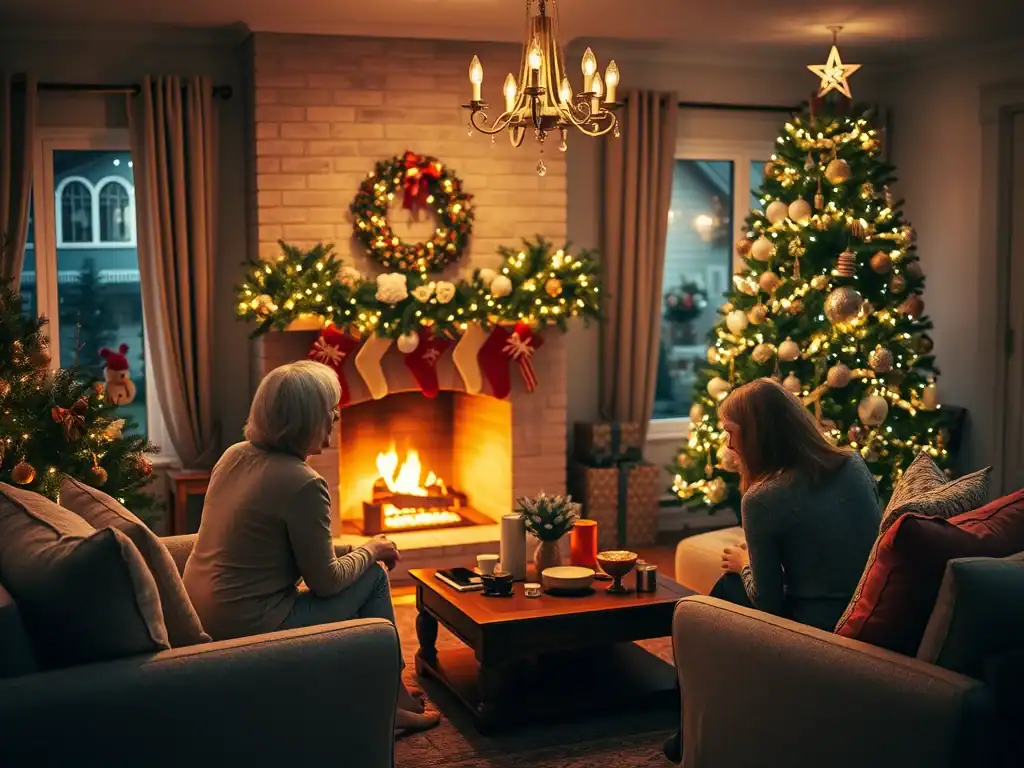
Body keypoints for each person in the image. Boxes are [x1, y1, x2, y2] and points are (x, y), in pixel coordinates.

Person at [183, 360, 439, 734]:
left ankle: (382, 689)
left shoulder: (234, 456)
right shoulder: (303, 483)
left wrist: (361, 546)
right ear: (304, 420)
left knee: (364, 559)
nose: (336, 417)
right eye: (328, 410)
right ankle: (388, 702)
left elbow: (290, 547)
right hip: (252, 627)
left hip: (204, 612)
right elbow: (326, 583)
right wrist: (371, 552)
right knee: (373, 577)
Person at [664, 378, 881, 762]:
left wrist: (746, 563)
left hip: (820, 626)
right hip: (866, 603)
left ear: (758, 434)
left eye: (732, 433)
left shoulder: (763, 499)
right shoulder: (853, 462)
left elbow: (768, 604)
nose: (728, 445)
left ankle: (688, 729)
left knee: (716, 595)